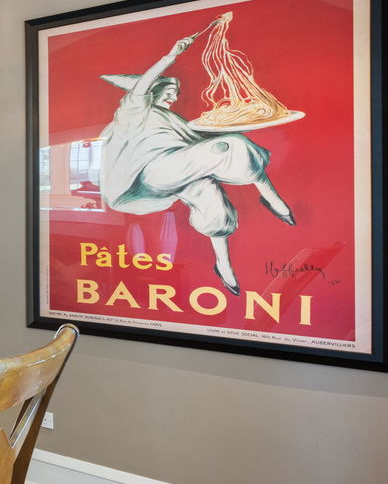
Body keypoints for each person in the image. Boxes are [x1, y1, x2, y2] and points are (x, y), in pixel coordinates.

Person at [98, 32, 294, 295]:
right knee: (230, 145)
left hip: (180, 170)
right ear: (152, 93)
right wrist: (171, 56)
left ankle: (223, 266)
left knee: (211, 198)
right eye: (169, 92)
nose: (174, 98)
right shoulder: (133, 113)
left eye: (176, 93)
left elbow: (198, 143)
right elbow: (140, 89)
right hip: (156, 172)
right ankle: (271, 198)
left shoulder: (176, 121)